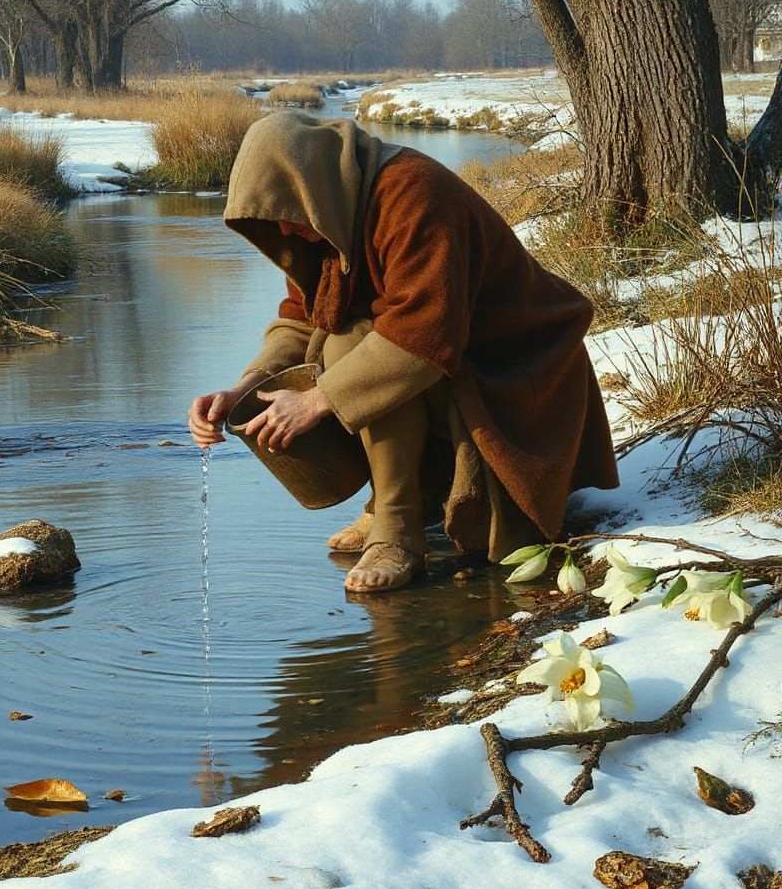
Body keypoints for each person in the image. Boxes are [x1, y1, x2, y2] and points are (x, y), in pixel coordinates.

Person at [188, 111, 618, 594]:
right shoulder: (327, 210)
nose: (287, 233)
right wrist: (244, 387)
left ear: (314, 185)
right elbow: (302, 316)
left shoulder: (414, 192)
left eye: (291, 214)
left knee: (350, 345)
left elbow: (425, 335)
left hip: (514, 376)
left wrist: (314, 400)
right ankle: (392, 505)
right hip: (451, 366)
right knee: (338, 338)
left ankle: (398, 532)